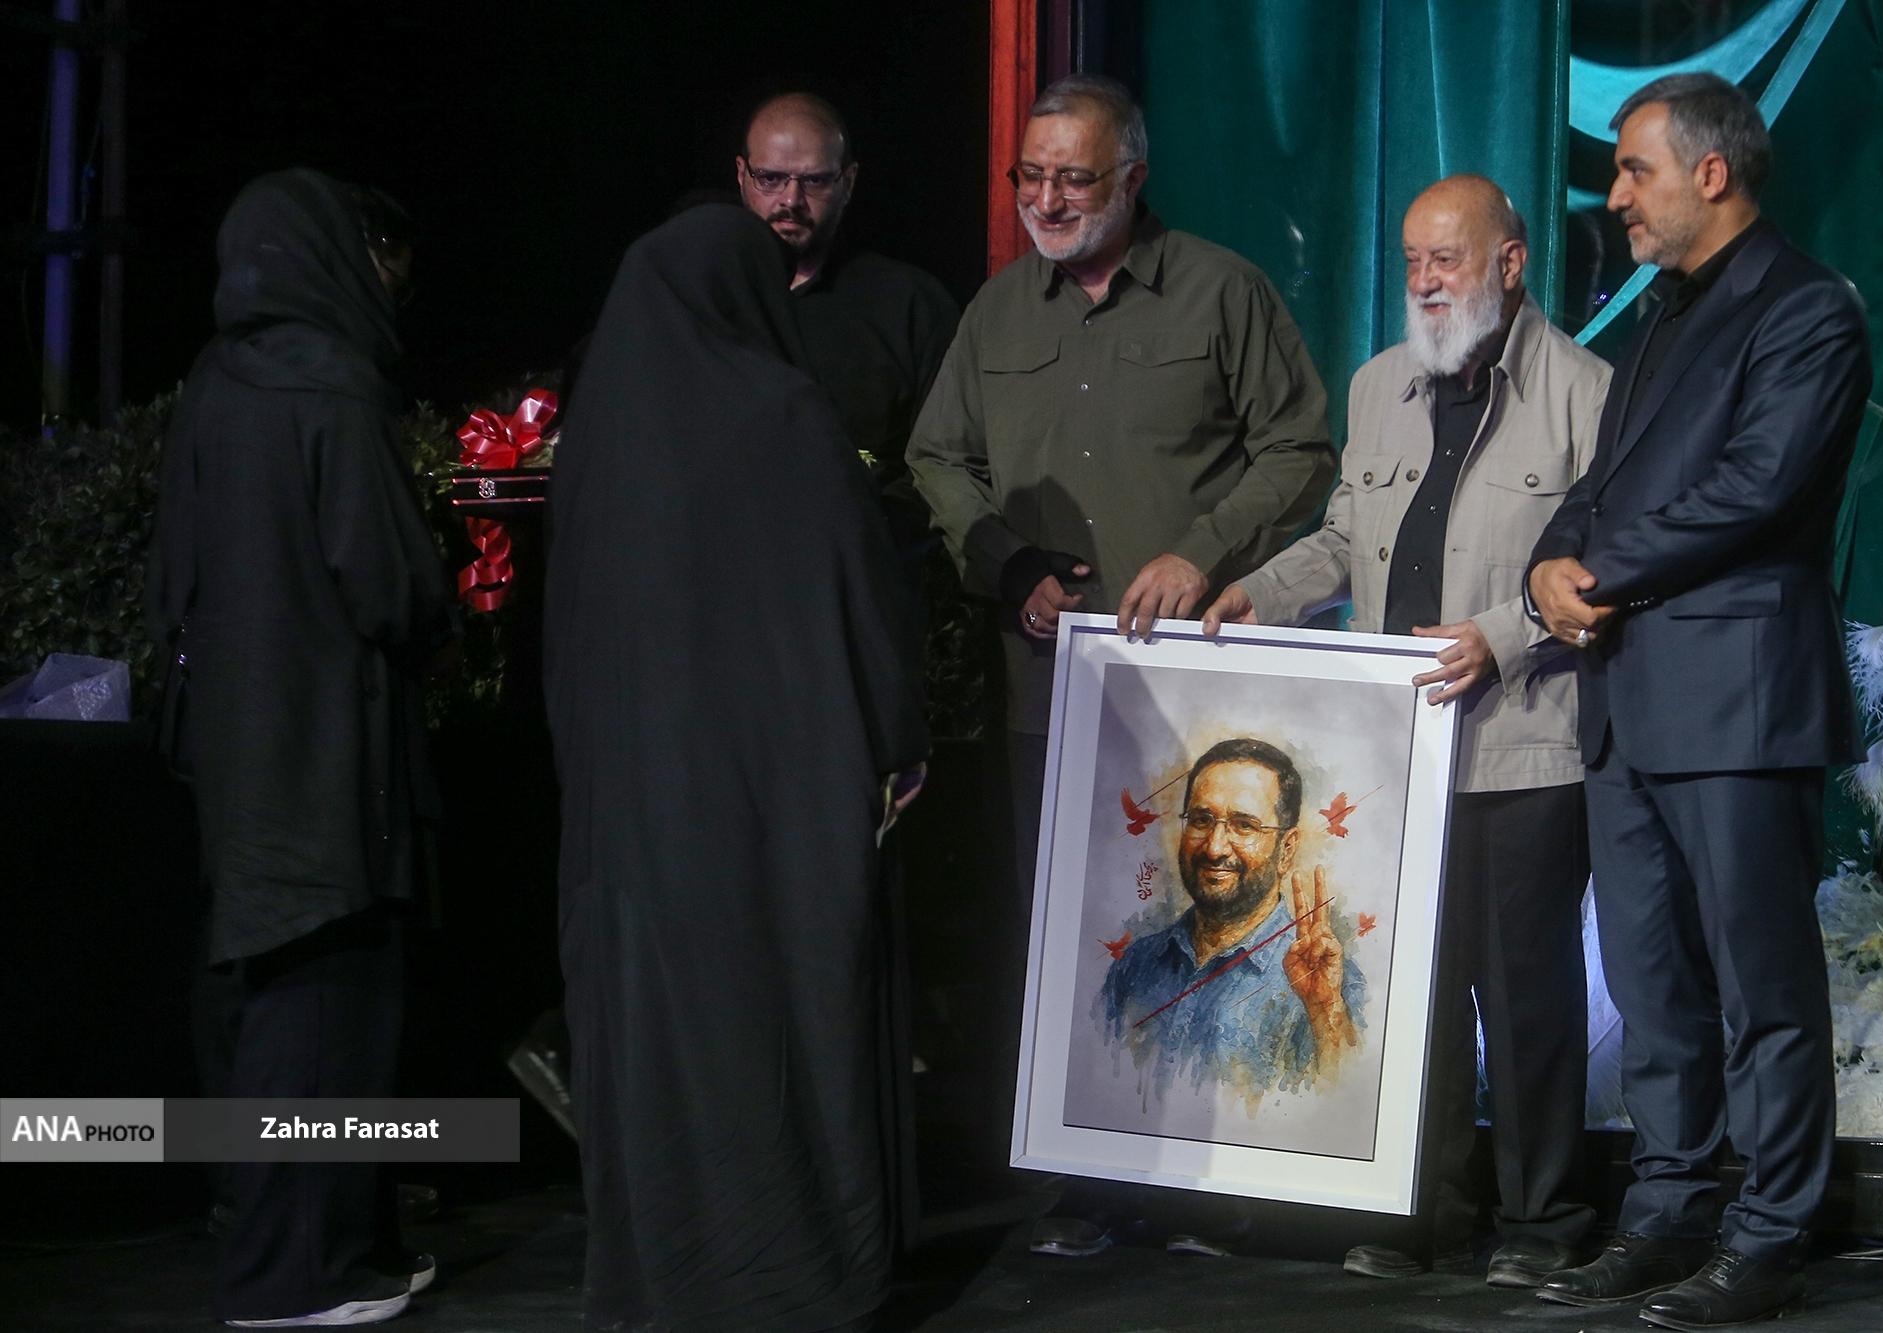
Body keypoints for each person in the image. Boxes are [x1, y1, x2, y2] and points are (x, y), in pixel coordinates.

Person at [907, 71, 1333, 1260]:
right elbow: (935, 456)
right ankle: (1092, 1180)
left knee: (1212, 922)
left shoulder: (1219, 290)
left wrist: (1200, 551)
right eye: (1030, 177)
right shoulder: (998, 311)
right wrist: (1002, 563)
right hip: (1050, 690)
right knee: (1072, 935)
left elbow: (1299, 447)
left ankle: (1222, 1177)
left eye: (1074, 179)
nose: (1046, 199)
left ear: (1132, 179)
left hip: (1196, 697)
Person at [1204, 174, 1607, 1288]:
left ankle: (1542, 1222)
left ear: (1510, 264)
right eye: (1412, 261)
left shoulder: (1585, 393)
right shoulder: (1379, 384)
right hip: (1396, 752)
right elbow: (1345, 537)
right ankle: (1422, 1212)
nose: (1424, 281)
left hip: (1523, 746)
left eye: (1447, 259)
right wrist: (1259, 592)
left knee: (1522, 1000)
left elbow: (1600, 570)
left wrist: (1499, 636)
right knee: (1405, 994)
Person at [543, 205, 928, 1332]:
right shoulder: (785, 416)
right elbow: (860, 601)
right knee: (781, 1016)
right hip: (773, 803)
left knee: (658, 1031)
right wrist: (896, 742)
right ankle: (793, 1271)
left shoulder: (595, 443)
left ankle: (667, 1272)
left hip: (633, 812)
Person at [1524, 73, 1870, 1329]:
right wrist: (1545, 565)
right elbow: (1596, 485)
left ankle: (1767, 1232)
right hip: (1626, 701)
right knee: (1651, 984)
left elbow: (1754, 486)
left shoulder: (1806, 307)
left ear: (1708, 174)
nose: (1615, 195)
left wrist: (1597, 573)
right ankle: (1664, 1210)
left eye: (1634, 170)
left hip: (1734, 701)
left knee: (1758, 985)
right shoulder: (1660, 316)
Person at [146, 168, 451, 1328]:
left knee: (275, 991)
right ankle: (290, 1278)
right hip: (331, 751)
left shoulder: (214, 383)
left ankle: (345, 1249)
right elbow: (388, 585)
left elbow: (171, 572)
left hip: (236, 748)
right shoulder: (332, 384)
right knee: (325, 999)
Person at [737, 91, 960, 549]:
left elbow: (947, 466)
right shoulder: (703, 302)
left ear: (848, 182)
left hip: (870, 564)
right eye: (770, 178)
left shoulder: (909, 304)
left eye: (815, 180)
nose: (791, 199)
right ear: (742, 175)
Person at [1098, 738, 1359, 1096]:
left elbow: (1347, 1103)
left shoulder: (1332, 985)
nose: (1215, 847)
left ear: (1287, 849)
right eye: (1201, 820)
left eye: (1244, 825)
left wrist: (1325, 1012)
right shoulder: (1133, 967)